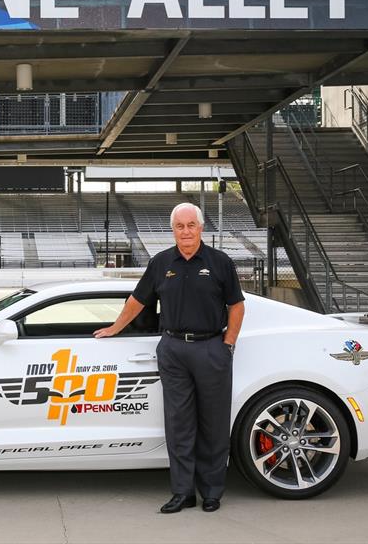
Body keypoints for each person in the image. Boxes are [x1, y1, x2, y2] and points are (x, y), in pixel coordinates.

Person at [94, 202, 245, 513]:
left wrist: (227, 344)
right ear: (173, 229)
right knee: (179, 424)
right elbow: (137, 301)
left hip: (210, 348)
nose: (186, 231)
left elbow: (236, 306)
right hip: (173, 349)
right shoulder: (161, 262)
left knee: (213, 425)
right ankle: (183, 492)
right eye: (180, 226)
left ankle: (212, 492)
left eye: (191, 225)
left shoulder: (220, 262)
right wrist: (115, 327)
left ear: (201, 228)